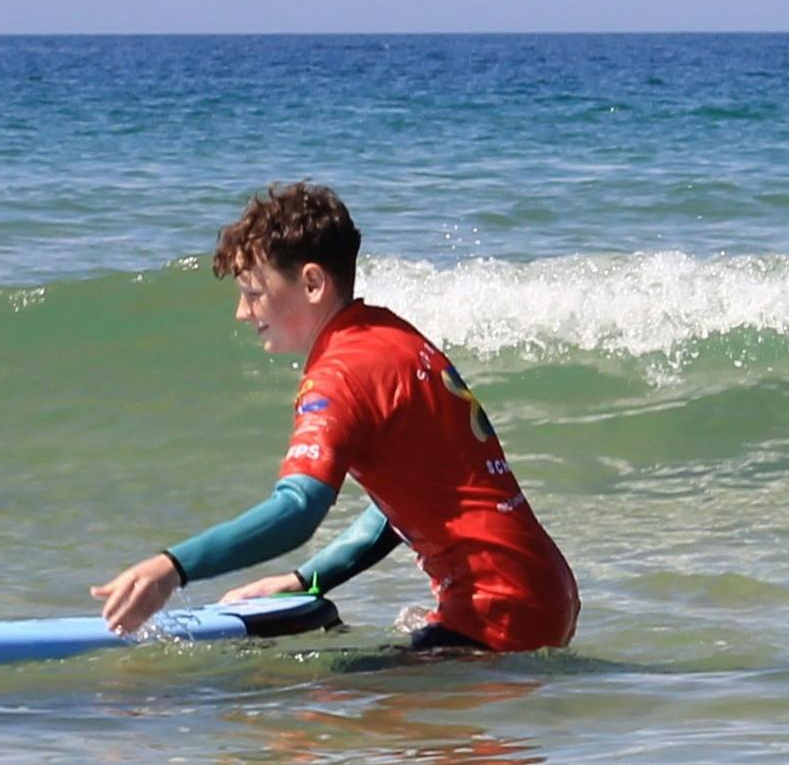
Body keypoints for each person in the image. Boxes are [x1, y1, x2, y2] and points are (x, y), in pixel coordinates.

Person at [90, 182, 580, 650]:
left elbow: (298, 508)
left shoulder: (340, 373)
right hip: (538, 591)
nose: (242, 311)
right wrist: (306, 580)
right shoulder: (389, 336)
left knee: (312, 710)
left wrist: (171, 569)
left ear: (311, 282)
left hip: (496, 612)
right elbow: (396, 510)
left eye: (253, 292)